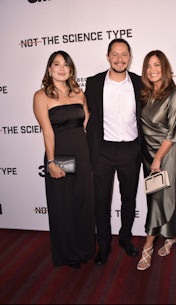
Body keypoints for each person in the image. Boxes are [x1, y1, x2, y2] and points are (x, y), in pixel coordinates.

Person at [33, 50, 95, 269]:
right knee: (64, 206)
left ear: (71, 69)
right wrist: (51, 162)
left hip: (81, 153)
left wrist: (86, 149)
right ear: (49, 69)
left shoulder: (78, 91)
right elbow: (47, 132)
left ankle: (85, 249)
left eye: (65, 65)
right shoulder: (41, 96)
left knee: (83, 203)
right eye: (56, 64)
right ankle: (69, 254)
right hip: (60, 156)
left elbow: (86, 119)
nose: (61, 68)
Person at [85, 38, 143, 265]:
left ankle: (125, 239)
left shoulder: (139, 83)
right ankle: (104, 245)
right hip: (103, 152)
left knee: (128, 200)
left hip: (131, 150)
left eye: (124, 54)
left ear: (130, 57)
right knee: (101, 201)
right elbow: (86, 117)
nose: (120, 58)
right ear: (108, 56)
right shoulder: (93, 83)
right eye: (115, 54)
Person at [137, 50, 176, 271]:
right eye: (148, 66)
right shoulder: (145, 93)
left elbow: (173, 134)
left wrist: (157, 159)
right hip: (148, 154)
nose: (152, 70)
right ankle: (171, 236)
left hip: (166, 155)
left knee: (158, 199)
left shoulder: (175, 95)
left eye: (156, 65)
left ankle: (147, 246)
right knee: (159, 198)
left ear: (164, 68)